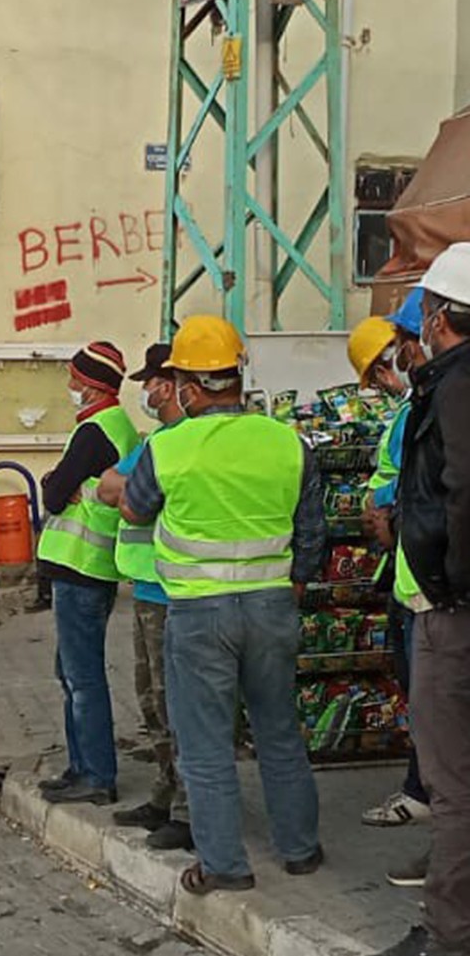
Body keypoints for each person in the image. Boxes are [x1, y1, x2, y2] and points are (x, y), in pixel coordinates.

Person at [120, 315, 325, 896]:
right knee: (280, 732)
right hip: (271, 606)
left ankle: (224, 866)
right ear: (236, 376)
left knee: (206, 744)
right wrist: (295, 584)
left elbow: (135, 509)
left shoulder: (168, 446)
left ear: (186, 386)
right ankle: (301, 851)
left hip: (199, 614)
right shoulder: (288, 441)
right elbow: (311, 531)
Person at [359, 251, 470, 956]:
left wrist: (448, 582)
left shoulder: (454, 389)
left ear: (437, 316)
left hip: (450, 608)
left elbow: (462, 493)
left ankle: (451, 928)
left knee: (451, 780)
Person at [95, 344, 190, 850]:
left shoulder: (180, 442)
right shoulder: (156, 441)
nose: (146, 391)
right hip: (146, 587)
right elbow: (107, 489)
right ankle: (164, 791)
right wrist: (136, 486)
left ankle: (185, 807)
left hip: (173, 589)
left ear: (172, 384)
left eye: (152, 381)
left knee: (175, 704)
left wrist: (135, 488)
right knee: (151, 700)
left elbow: (125, 497)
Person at [38, 340, 141, 807]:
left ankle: (96, 774)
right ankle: (80, 766)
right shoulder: (115, 426)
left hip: (81, 565)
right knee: (73, 673)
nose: (70, 388)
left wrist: (55, 483)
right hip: (91, 566)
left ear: (94, 386)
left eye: (76, 381)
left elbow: (55, 493)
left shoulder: (96, 431)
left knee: (81, 677)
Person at [353, 295, 433, 846]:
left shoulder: (431, 406)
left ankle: (426, 796)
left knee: (430, 701)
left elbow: (416, 483)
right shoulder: (416, 408)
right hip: (409, 571)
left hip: (423, 579)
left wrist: (384, 507)